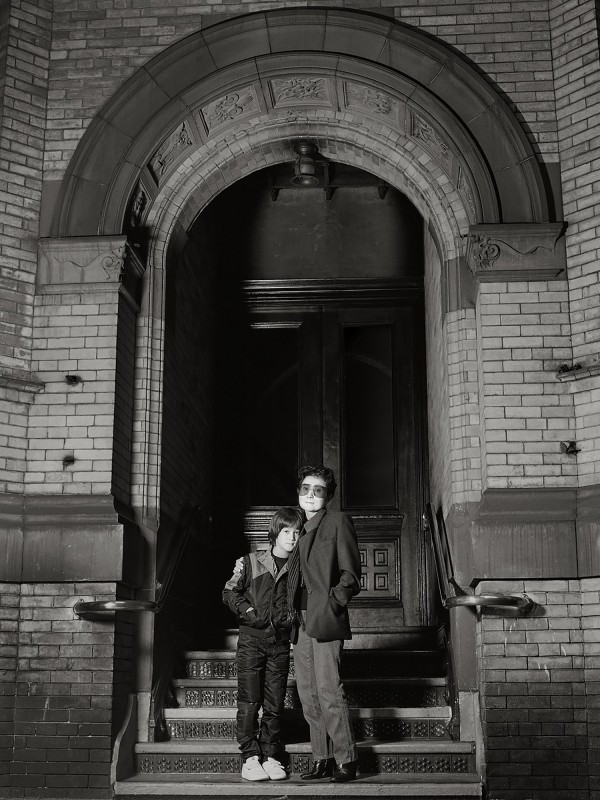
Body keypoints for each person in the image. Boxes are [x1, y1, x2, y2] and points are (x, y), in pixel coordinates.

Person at [287, 464, 362, 783]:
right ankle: (321, 758)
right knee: (307, 692)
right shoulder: (295, 526)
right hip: (299, 619)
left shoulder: (337, 521)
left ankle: (346, 759)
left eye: (318, 490)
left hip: (324, 616)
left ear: (328, 495)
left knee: (328, 689)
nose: (311, 495)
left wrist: (333, 603)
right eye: (305, 488)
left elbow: (351, 576)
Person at [223, 506, 304, 782]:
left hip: (280, 644)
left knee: (274, 703)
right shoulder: (250, 561)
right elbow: (229, 592)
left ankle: (270, 755)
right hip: (251, 643)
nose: (292, 537)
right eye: (286, 531)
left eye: (296, 532)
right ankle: (249, 757)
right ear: (275, 533)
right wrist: (248, 612)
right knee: (249, 701)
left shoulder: (299, 567)